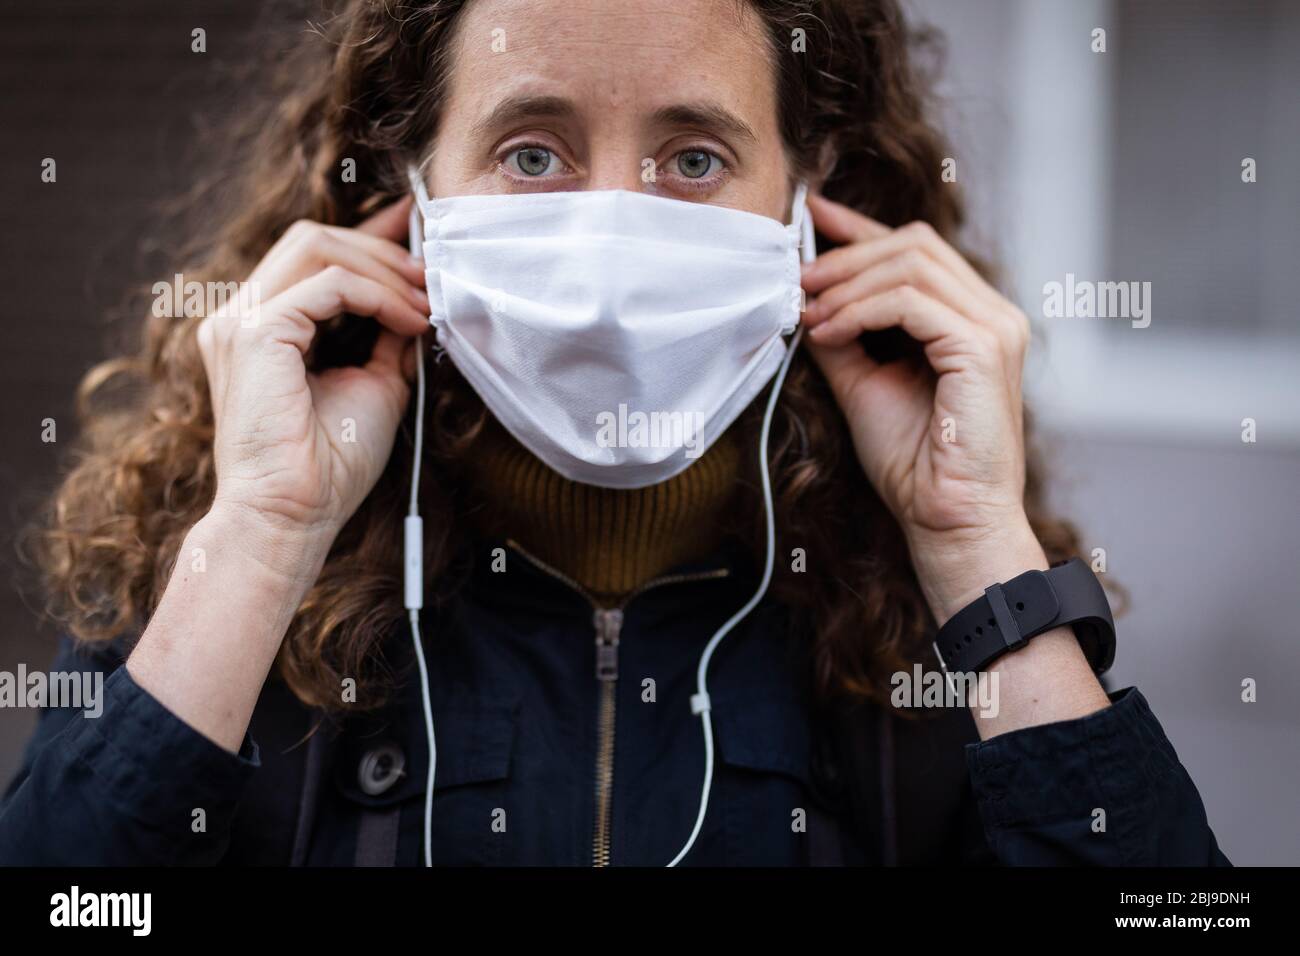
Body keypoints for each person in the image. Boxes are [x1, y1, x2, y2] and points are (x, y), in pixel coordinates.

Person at [1, 0, 1227, 866]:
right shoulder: (229, 589)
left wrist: (976, 550)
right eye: (531, 152)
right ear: (408, 200)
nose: (601, 252)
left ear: (810, 209)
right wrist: (264, 535)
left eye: (693, 157)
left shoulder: (913, 635)